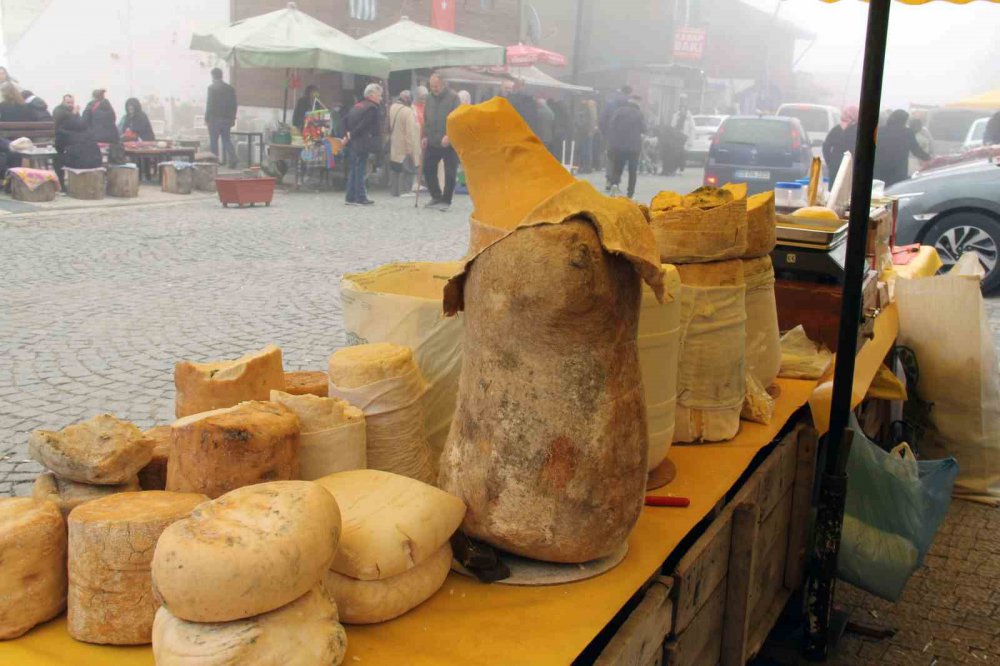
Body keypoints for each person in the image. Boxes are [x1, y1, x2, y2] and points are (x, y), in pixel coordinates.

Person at [421, 73, 461, 211]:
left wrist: (449, 135)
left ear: (443, 84)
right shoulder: (429, 98)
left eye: (436, 86)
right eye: (432, 86)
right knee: (428, 167)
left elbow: (457, 118)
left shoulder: (453, 97)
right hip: (432, 140)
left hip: (448, 142)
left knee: (450, 171)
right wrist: (425, 136)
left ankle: (446, 200)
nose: (434, 89)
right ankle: (436, 196)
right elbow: (426, 118)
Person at [343, 82, 383, 206]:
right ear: (371, 95)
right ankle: (360, 197)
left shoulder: (357, 105)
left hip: (354, 143)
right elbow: (364, 125)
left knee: (354, 169)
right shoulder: (372, 108)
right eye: (379, 95)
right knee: (360, 170)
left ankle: (350, 197)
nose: (380, 98)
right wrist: (353, 134)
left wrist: (347, 134)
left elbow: (345, 119)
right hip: (363, 142)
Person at [874, 109, 931, 187]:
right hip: (898, 171)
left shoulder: (879, 130)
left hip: (878, 169)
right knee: (893, 191)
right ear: (904, 120)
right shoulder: (907, 132)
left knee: (877, 190)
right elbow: (916, 150)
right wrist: (928, 158)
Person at [607, 95, 646, 199]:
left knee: (617, 167)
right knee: (632, 171)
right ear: (638, 103)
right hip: (634, 147)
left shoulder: (619, 111)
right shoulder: (639, 114)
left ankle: (614, 184)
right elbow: (644, 129)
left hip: (619, 145)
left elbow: (611, 124)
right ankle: (630, 193)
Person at [54, 114, 102, 188]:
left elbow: (59, 148)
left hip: (78, 163)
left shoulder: (62, 131)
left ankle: (61, 185)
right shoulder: (88, 130)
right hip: (96, 162)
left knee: (57, 159)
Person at [388, 90, 420, 197]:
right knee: (408, 168)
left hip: (394, 143)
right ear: (407, 99)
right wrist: (411, 149)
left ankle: (395, 191)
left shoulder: (392, 107)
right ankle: (405, 190)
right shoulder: (408, 111)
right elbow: (410, 132)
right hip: (405, 145)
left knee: (395, 168)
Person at [205, 68, 238, 168]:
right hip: (226, 119)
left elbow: (210, 104)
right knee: (226, 140)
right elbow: (234, 105)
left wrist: (206, 118)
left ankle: (214, 163)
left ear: (213, 76)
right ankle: (233, 159)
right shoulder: (230, 88)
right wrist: (233, 118)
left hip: (214, 119)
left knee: (213, 142)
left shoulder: (211, 88)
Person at [822, 105, 858, 181]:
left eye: (847, 115)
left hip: (838, 166)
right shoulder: (858, 130)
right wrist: (830, 162)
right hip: (846, 167)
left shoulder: (836, 129)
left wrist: (831, 162)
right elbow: (826, 147)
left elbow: (826, 147)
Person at [670, 99, 696, 174]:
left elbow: (692, 129)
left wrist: (690, 140)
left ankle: (681, 169)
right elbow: (672, 125)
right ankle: (674, 168)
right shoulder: (676, 116)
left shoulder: (689, 117)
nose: (682, 110)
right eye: (681, 109)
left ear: (685, 109)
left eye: (683, 109)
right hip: (676, 137)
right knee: (675, 154)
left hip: (684, 138)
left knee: (682, 154)